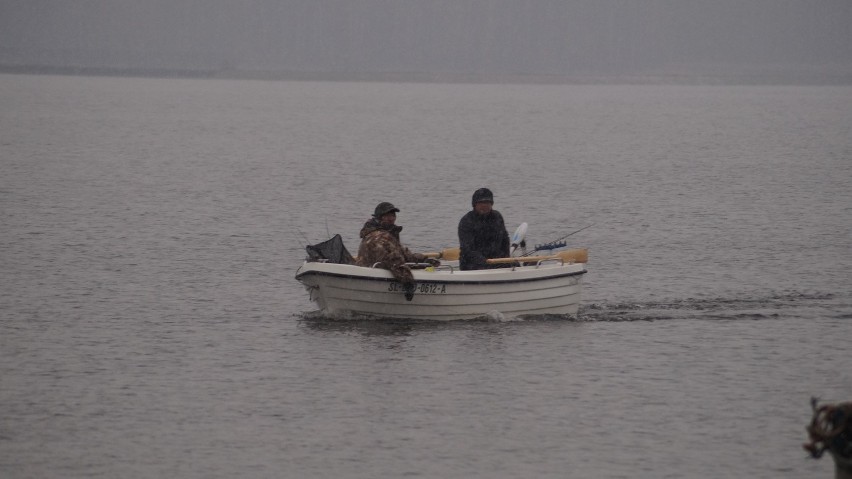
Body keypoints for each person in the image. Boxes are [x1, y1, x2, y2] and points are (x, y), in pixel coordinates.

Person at [356, 202, 437, 300]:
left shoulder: (385, 234)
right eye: (387, 216)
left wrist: (424, 261)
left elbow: (403, 254)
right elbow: (393, 260)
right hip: (374, 276)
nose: (392, 218)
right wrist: (408, 282)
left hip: (374, 275)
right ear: (379, 217)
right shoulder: (379, 237)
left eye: (393, 215)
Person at [458, 187, 511, 270]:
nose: (484, 205)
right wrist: (485, 262)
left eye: (487, 202)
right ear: (474, 204)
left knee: (515, 265)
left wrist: (505, 258)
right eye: (481, 202)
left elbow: (505, 240)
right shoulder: (466, 221)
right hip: (472, 264)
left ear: (491, 204)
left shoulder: (497, 217)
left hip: (496, 261)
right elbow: (467, 249)